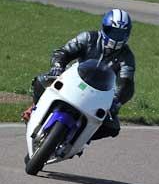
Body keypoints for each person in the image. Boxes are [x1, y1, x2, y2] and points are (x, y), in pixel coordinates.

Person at [21, 8, 135, 141]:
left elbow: (126, 82)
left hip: (99, 94)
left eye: (120, 34)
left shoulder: (127, 56)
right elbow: (63, 52)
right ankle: (35, 110)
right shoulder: (88, 38)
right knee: (40, 82)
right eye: (113, 31)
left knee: (112, 127)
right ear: (104, 28)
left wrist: (116, 101)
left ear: (127, 34)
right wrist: (58, 66)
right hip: (75, 80)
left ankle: (81, 139)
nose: (116, 37)